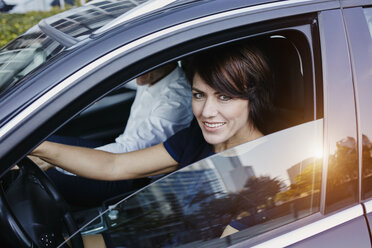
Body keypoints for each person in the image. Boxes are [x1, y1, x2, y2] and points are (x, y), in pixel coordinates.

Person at [31, 42, 273, 247]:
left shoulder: (266, 169)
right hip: (148, 232)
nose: (206, 112)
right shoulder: (195, 139)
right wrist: (40, 148)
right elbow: (115, 165)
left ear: (253, 97)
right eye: (199, 95)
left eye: (224, 97)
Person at [41, 62, 194, 207]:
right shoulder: (151, 73)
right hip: (118, 153)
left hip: (129, 178)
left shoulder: (175, 102)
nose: (136, 69)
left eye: (143, 63)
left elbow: (127, 153)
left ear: (167, 61)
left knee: (44, 174)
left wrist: (57, 160)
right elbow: (116, 75)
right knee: (40, 144)